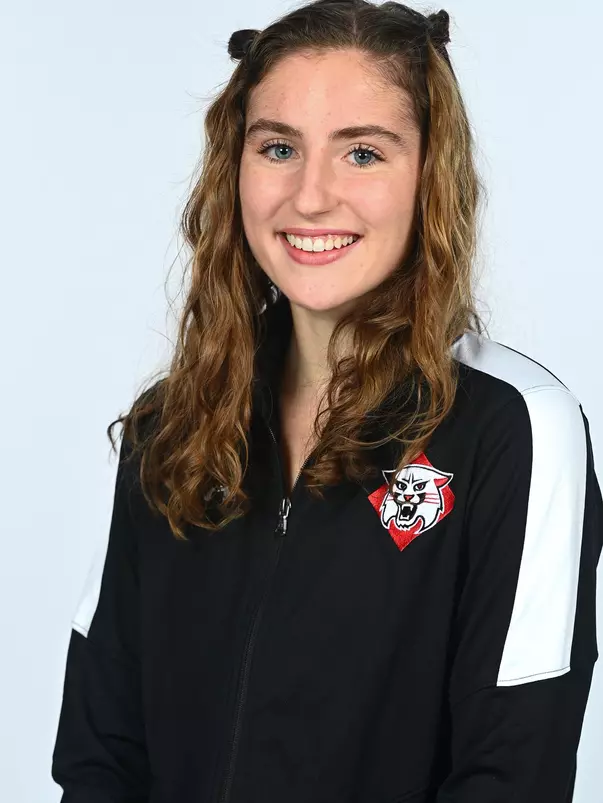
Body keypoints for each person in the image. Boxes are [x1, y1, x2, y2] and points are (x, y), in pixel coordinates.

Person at [51, 1, 602, 801]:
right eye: (278, 147)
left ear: (429, 174)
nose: (310, 197)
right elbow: (102, 755)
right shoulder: (171, 425)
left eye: (363, 154)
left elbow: (512, 772)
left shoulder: (514, 429)